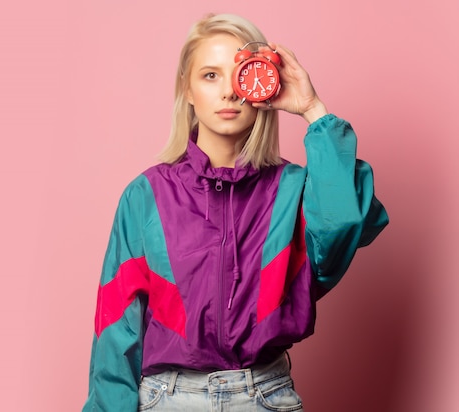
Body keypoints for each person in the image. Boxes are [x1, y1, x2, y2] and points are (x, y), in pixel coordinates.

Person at [83, 13, 388, 412]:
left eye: (241, 73)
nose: (228, 91)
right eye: (210, 75)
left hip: (266, 396)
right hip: (168, 399)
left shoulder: (294, 190)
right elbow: (115, 329)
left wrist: (312, 109)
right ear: (187, 90)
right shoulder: (147, 195)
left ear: (263, 83)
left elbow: (343, 224)